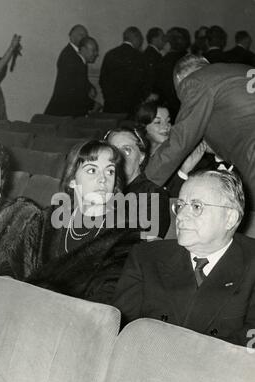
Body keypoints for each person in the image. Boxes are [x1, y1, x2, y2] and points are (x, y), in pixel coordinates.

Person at [0, 140, 141, 303]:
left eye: (110, 171)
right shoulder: (48, 218)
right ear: (73, 180)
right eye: (92, 170)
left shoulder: (124, 234)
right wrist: (5, 283)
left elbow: (105, 298)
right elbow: (12, 264)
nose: (103, 179)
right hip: (20, 308)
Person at [114, 170, 255, 347]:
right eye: (180, 205)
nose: (180, 217)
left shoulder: (251, 263)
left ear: (230, 218)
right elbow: (121, 332)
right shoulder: (146, 257)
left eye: (196, 207)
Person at [145, 54, 255, 210]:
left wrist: (144, 183)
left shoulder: (195, 81)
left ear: (179, 79)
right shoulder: (242, 71)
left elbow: (180, 140)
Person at [135, 100, 214, 196]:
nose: (166, 127)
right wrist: (183, 172)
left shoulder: (190, 157)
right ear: (144, 126)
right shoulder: (137, 161)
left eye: (168, 121)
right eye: (158, 122)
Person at [105, 127, 170, 238]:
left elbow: (148, 240)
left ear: (141, 157)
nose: (119, 157)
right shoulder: (100, 189)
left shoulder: (152, 194)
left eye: (127, 150)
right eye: (113, 151)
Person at [45, 35, 99, 117]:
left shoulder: (79, 62)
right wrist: (93, 104)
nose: (96, 54)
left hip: (63, 112)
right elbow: (76, 92)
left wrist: (89, 87)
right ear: (83, 50)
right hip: (64, 114)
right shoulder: (77, 64)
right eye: (93, 50)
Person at [99, 27, 144, 114]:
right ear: (135, 37)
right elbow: (141, 82)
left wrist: (109, 98)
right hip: (132, 107)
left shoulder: (110, 54)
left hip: (111, 105)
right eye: (140, 38)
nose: (141, 41)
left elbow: (102, 80)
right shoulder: (139, 57)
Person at [155, 27, 191, 121]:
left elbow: (159, 88)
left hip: (170, 110)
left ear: (169, 43)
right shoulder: (191, 60)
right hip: (189, 108)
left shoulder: (164, 62)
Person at [142, 27, 165, 98]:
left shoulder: (148, 53)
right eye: (162, 37)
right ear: (154, 39)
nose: (164, 40)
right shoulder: (153, 55)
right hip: (154, 95)